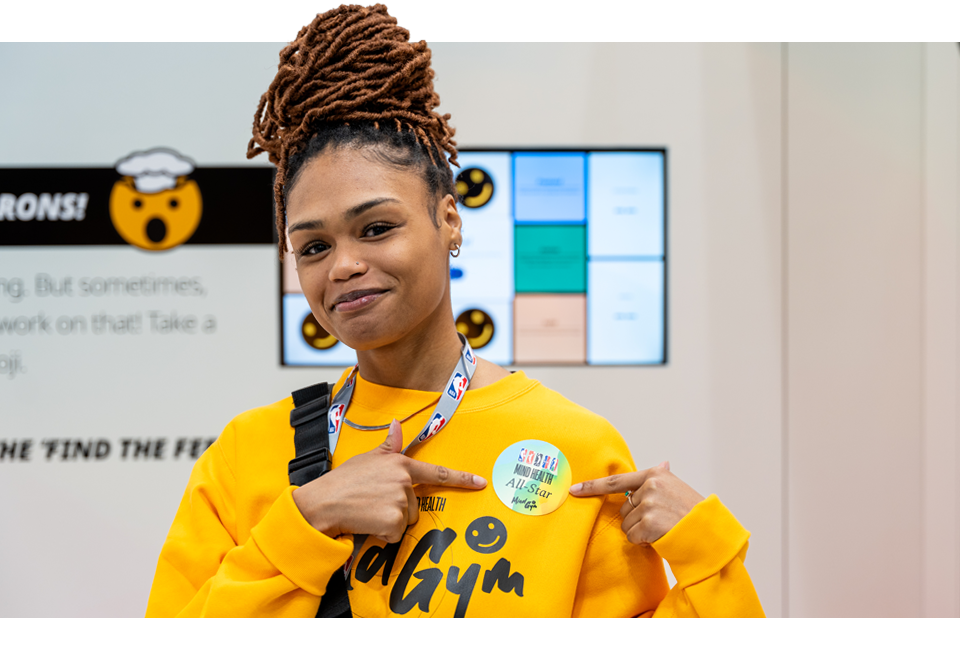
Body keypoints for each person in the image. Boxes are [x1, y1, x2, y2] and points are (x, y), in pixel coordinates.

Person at [145, 3, 765, 620]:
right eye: (313, 246)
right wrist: (308, 520)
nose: (342, 266)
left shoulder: (574, 447)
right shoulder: (245, 456)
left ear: (448, 220)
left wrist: (706, 551)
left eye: (377, 227)